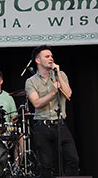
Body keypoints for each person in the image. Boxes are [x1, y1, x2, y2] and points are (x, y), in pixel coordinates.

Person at [25, 45, 79, 177]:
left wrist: (58, 74)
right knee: (46, 165)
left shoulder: (61, 75)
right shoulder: (30, 82)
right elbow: (36, 103)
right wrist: (53, 93)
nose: (51, 59)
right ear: (38, 60)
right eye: (47, 56)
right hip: (42, 126)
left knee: (73, 159)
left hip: (60, 123)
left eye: (52, 56)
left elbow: (68, 94)